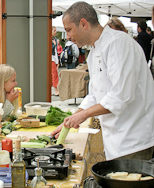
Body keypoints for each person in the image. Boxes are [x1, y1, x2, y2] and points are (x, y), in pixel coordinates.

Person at [51, 2, 154, 161]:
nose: (68, 37)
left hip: (134, 139)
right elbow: (95, 95)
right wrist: (71, 119)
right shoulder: (94, 52)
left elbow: (120, 96)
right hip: (115, 140)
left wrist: (83, 115)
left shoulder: (118, 43)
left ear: (83, 24)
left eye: (69, 30)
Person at [51, 26, 59, 96]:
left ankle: (55, 89)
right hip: (52, 58)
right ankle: (56, 90)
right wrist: (54, 45)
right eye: (54, 31)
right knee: (54, 74)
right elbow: (50, 49)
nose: (55, 32)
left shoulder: (55, 39)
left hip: (54, 58)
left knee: (54, 74)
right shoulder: (50, 39)